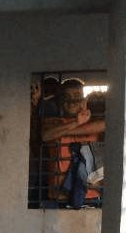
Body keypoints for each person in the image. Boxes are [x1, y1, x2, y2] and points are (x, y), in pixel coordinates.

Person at [39, 78, 105, 206]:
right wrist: (76, 122)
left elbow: (103, 125)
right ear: (61, 102)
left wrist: (66, 130)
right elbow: (45, 135)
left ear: (85, 100)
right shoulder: (53, 122)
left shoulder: (95, 121)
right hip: (59, 197)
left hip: (91, 197)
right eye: (67, 98)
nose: (72, 103)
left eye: (77, 97)